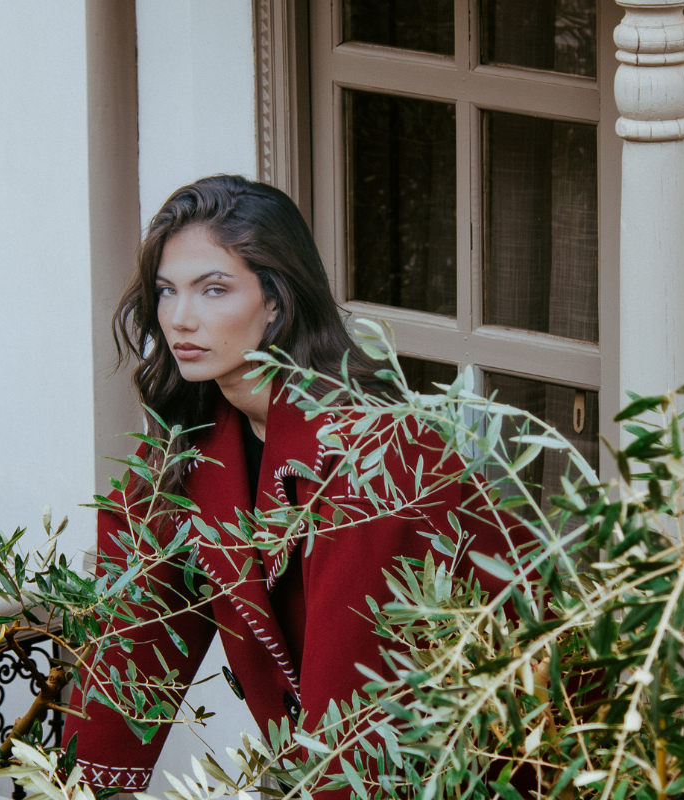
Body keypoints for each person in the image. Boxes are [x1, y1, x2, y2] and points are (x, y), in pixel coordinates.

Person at [60, 175, 519, 796]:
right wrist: (76, 785)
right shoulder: (194, 439)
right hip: (331, 755)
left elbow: (359, 705)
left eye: (214, 289)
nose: (180, 318)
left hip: (497, 758)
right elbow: (135, 629)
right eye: (167, 291)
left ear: (276, 301)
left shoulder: (370, 453)